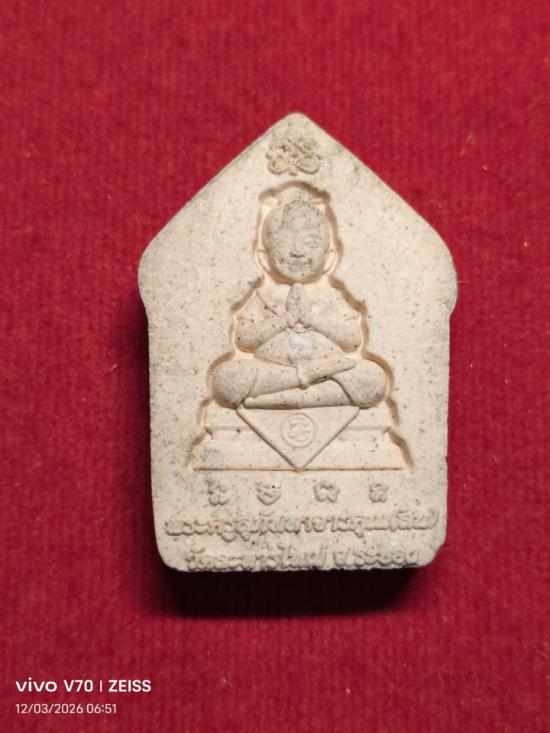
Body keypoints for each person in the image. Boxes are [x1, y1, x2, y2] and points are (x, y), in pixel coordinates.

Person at [211, 186, 386, 410]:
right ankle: (303, 379)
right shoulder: (264, 297)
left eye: (310, 243)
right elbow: (243, 340)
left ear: (330, 259)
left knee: (372, 377)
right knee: (227, 377)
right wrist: (284, 320)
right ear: (263, 259)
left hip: (328, 372)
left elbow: (352, 340)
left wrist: (313, 320)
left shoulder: (330, 297)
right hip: (275, 372)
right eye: (284, 242)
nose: (297, 252)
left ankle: (279, 397)